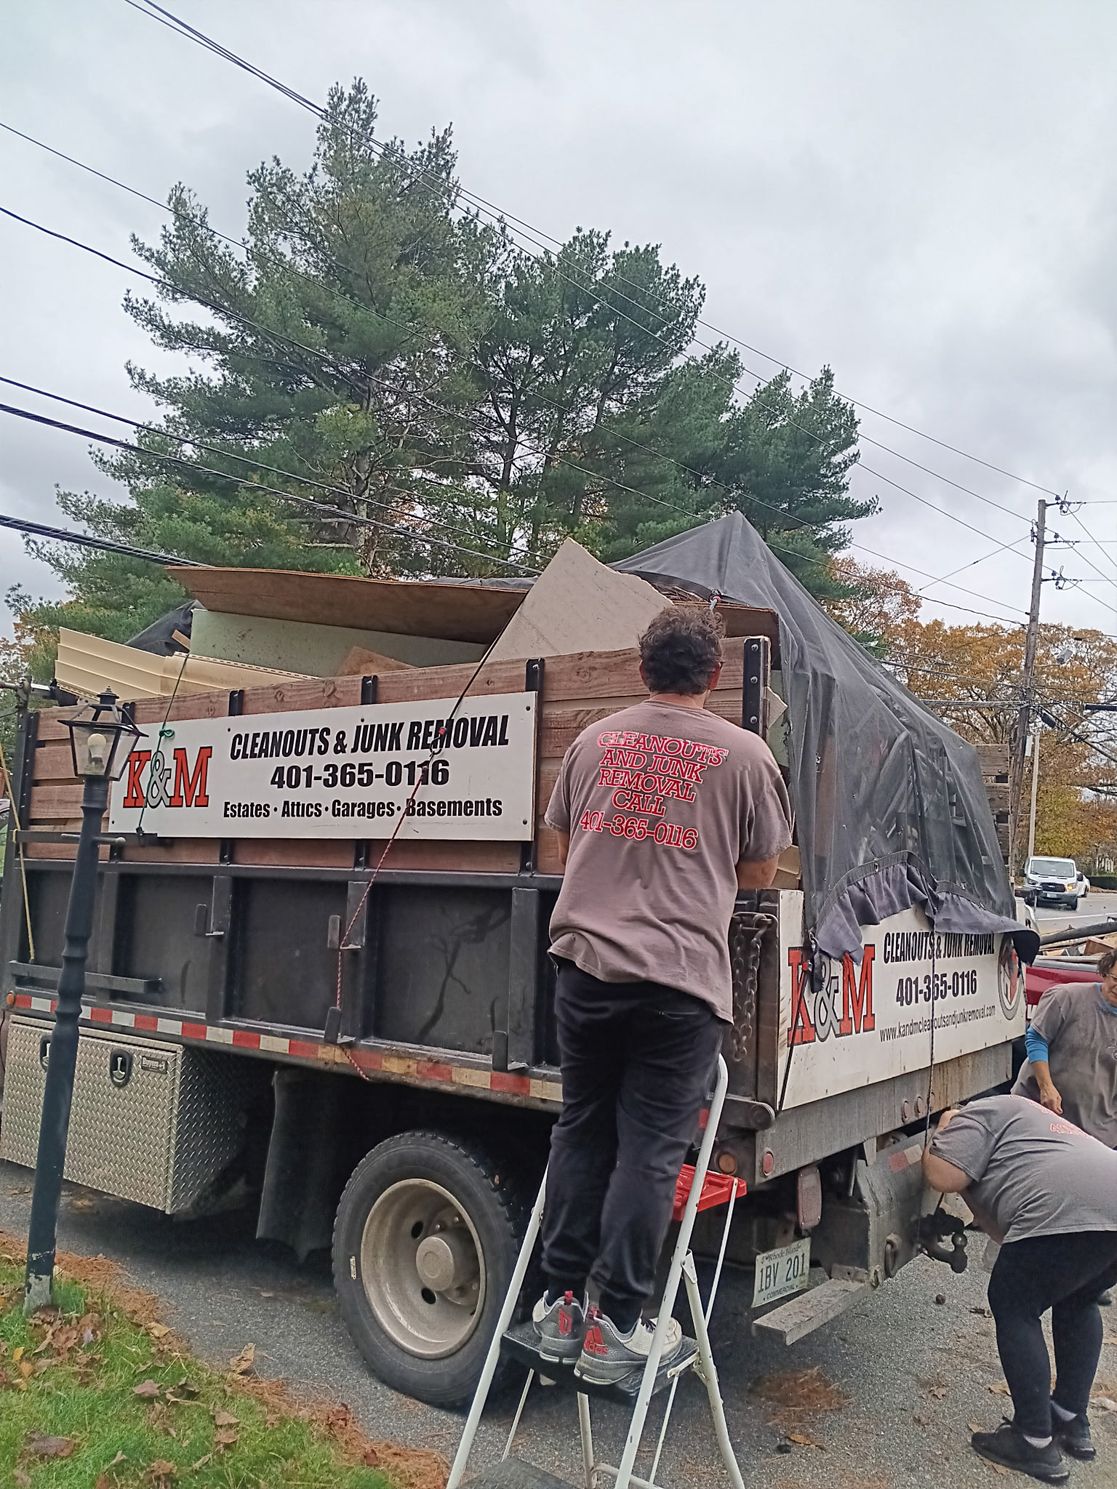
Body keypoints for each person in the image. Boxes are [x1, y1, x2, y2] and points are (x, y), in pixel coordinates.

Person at [531, 606, 793, 1384]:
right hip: (678, 985)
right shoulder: (745, 756)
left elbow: (565, 840)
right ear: (712, 676)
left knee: (581, 1131)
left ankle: (559, 1305)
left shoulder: (592, 741)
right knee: (648, 1152)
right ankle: (618, 1322)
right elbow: (760, 871)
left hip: (584, 968)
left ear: (640, 670)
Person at [925, 1094, 1117, 1482]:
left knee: (1013, 1304)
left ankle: (1034, 1441)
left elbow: (942, 1177)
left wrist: (941, 1132)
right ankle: (1069, 1418)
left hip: (1068, 1203)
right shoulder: (1023, 1119)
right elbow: (999, 1229)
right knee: (1078, 1299)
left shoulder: (972, 1116)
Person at [1013, 947, 1117, 1144]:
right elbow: (1036, 1038)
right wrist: (1046, 1087)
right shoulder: (1067, 998)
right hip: (1039, 1114)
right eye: (1116, 980)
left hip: (1096, 1133)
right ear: (1105, 973)